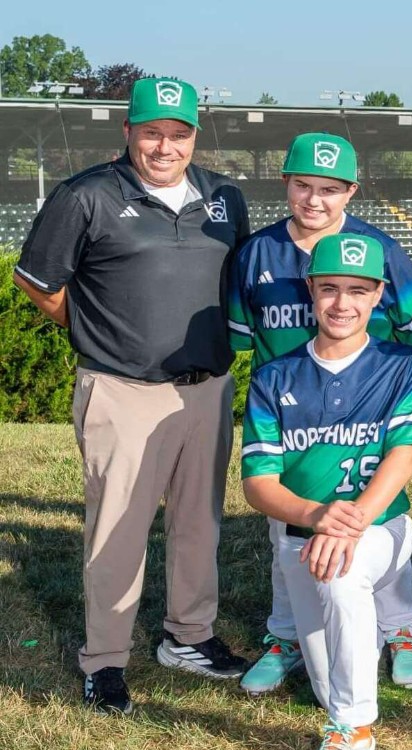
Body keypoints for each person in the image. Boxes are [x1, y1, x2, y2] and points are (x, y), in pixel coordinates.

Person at [12, 77, 251, 713]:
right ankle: (105, 659)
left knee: (199, 522)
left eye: (178, 134)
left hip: (207, 387)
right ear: (128, 133)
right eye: (151, 133)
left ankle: (188, 636)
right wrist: (88, 327)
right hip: (122, 389)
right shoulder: (86, 194)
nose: (164, 146)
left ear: (194, 136)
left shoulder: (224, 196)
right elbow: (37, 279)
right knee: (117, 531)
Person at [228, 131, 412, 696]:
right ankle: (287, 636)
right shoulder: (257, 253)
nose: (314, 200)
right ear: (285, 183)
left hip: (367, 398)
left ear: (350, 192)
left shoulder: (379, 247)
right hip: (290, 410)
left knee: (380, 515)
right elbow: (243, 337)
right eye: (303, 186)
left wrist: (374, 377)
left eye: (329, 189)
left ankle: (402, 629)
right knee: (288, 535)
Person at [238, 233, 412, 750]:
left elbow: (404, 456)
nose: (342, 303)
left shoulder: (402, 363)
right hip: (302, 535)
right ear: (311, 291)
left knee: (343, 575)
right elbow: (257, 485)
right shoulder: (274, 376)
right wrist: (317, 514)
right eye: (329, 289)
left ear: (378, 294)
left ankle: (354, 729)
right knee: (326, 680)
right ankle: (353, 648)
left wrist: (351, 522)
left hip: (380, 529)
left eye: (357, 290)